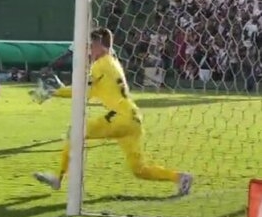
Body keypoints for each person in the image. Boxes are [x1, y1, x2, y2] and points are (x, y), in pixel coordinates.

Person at [30, 28, 193, 195]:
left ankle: (58, 178)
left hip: (120, 117)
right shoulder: (112, 63)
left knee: (76, 131)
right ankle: (180, 178)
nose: (88, 51)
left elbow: (82, 89)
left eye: (90, 46)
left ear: (99, 45)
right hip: (133, 118)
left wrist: (54, 92)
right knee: (139, 170)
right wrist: (59, 91)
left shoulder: (101, 64)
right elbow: (87, 92)